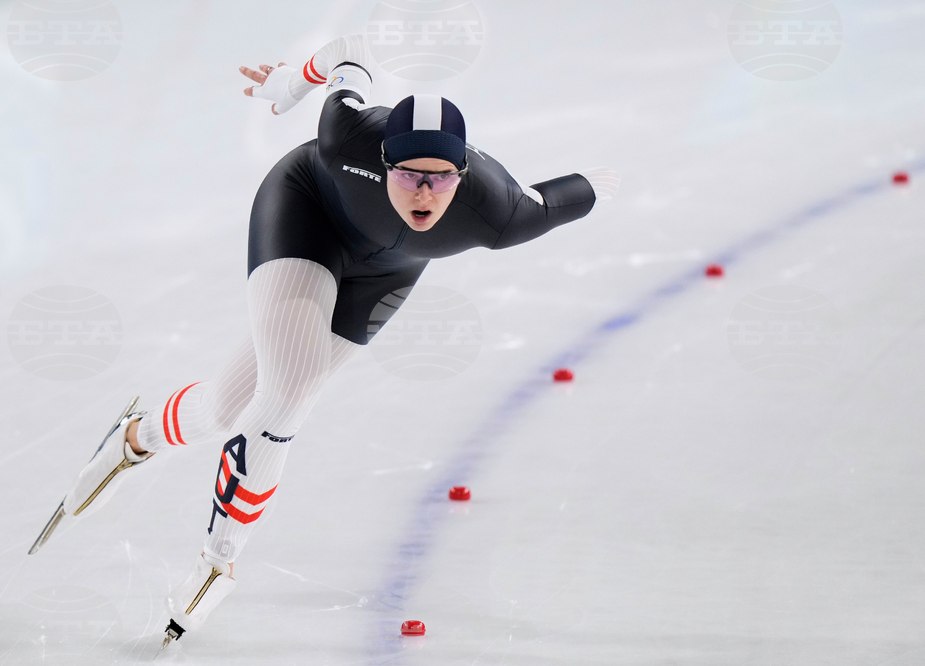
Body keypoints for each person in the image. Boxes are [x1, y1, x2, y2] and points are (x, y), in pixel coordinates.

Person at [35, 32, 609, 651]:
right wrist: (289, 83)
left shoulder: (498, 212)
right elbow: (349, 48)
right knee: (290, 392)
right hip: (305, 213)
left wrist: (617, 174)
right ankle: (219, 560)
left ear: (463, 174)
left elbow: (562, 197)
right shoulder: (348, 134)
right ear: (384, 159)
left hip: (384, 274)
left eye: (442, 180)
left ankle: (135, 436)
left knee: (227, 408)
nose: (424, 192)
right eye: (410, 174)